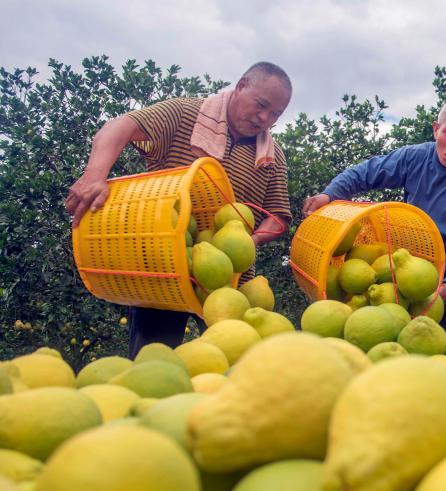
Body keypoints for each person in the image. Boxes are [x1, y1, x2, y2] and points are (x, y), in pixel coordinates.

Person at [66, 62, 294, 358]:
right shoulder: (186, 113)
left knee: (234, 363)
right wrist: (94, 174)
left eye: (275, 114)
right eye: (261, 105)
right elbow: (119, 127)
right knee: (152, 364)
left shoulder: (273, 155)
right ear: (240, 86)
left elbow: (277, 217)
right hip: (163, 270)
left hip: (229, 280)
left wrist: (246, 242)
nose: (265, 118)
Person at [303, 100, 446, 339]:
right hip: (398, 267)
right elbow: (367, 173)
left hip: (443, 279)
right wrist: (329, 194)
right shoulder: (415, 157)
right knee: (381, 335)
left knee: (432, 346)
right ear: (436, 129)